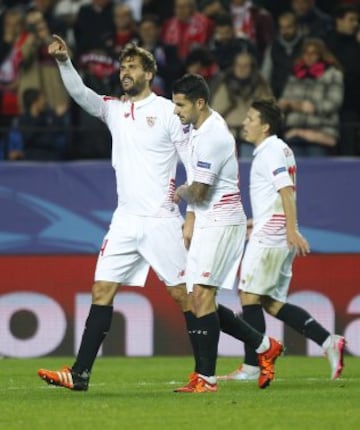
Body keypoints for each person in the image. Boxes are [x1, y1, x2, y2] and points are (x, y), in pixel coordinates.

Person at [37, 37, 192, 391]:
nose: (125, 72)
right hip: (125, 220)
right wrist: (64, 62)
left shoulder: (168, 111)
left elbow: (191, 160)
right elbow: (81, 94)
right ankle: (80, 374)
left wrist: (188, 199)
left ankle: (253, 348)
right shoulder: (114, 109)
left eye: (133, 67)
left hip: (161, 220)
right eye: (123, 66)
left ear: (149, 73)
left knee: (189, 297)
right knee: (102, 289)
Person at [218, 98, 346, 382]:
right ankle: (327, 342)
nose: (246, 123)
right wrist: (259, 222)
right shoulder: (276, 149)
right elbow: (277, 195)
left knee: (249, 295)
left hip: (273, 235)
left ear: (265, 126)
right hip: (273, 229)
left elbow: (286, 191)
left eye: (251, 118)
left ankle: (253, 366)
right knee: (271, 301)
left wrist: (290, 229)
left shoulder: (271, 150)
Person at [172, 75, 283, 393]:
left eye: (180, 104)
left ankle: (205, 379)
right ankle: (264, 346)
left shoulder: (213, 137)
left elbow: (200, 189)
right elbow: (196, 180)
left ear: (199, 103)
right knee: (197, 299)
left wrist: (180, 193)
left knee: (203, 297)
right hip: (208, 221)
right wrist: (191, 219)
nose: (175, 111)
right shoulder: (197, 129)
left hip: (222, 222)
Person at [278, 38, 344, 157]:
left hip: (320, 132)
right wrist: (293, 105)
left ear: (321, 55)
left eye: (313, 53)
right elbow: (284, 99)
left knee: (317, 171)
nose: (308, 56)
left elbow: (334, 102)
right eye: (305, 53)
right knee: (294, 170)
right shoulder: (295, 74)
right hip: (294, 131)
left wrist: (314, 107)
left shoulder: (333, 74)